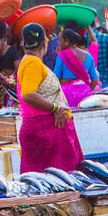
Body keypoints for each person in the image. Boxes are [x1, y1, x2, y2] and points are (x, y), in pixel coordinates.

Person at [16, 22, 84, 173]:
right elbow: (28, 94)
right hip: (44, 132)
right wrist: (55, 108)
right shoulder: (32, 62)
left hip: (48, 131)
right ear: (43, 44)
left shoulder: (31, 61)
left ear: (23, 43)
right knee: (55, 181)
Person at [52, 26, 100, 109]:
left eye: (60, 40)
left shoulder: (62, 55)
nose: (58, 43)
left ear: (67, 41)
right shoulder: (88, 56)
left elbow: (55, 79)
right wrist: (86, 89)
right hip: (85, 95)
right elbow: (95, 81)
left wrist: (66, 80)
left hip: (66, 95)